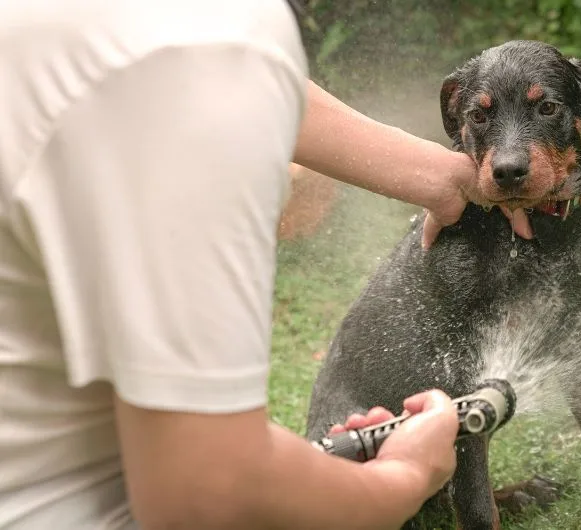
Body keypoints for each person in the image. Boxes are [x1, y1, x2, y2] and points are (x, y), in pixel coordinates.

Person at [0, 1, 531, 528]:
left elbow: (240, 72)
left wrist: (433, 175)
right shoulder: (196, 49)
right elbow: (205, 494)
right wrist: (399, 479)